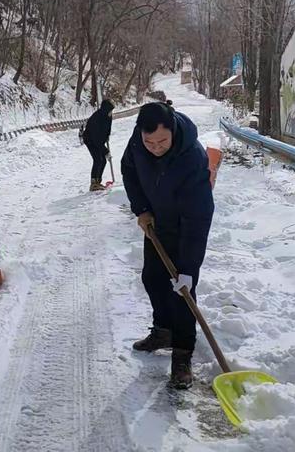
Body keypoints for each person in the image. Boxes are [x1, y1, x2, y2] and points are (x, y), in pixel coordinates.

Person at [121, 101, 214, 389]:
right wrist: (142, 210)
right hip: (158, 224)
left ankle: (183, 354)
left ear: (172, 129)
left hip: (188, 227)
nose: (155, 147)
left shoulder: (192, 158)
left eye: (162, 141)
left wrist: (187, 268)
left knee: (182, 290)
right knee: (152, 277)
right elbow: (129, 171)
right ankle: (163, 331)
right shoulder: (138, 142)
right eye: (149, 142)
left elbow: (199, 216)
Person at [82, 99, 114, 191]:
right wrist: (106, 151)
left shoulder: (108, 116)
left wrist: (107, 135)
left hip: (98, 140)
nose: (111, 112)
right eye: (110, 110)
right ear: (105, 109)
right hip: (90, 140)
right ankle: (93, 184)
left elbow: (108, 128)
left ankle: (98, 181)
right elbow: (96, 140)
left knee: (103, 160)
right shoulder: (97, 118)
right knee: (98, 159)